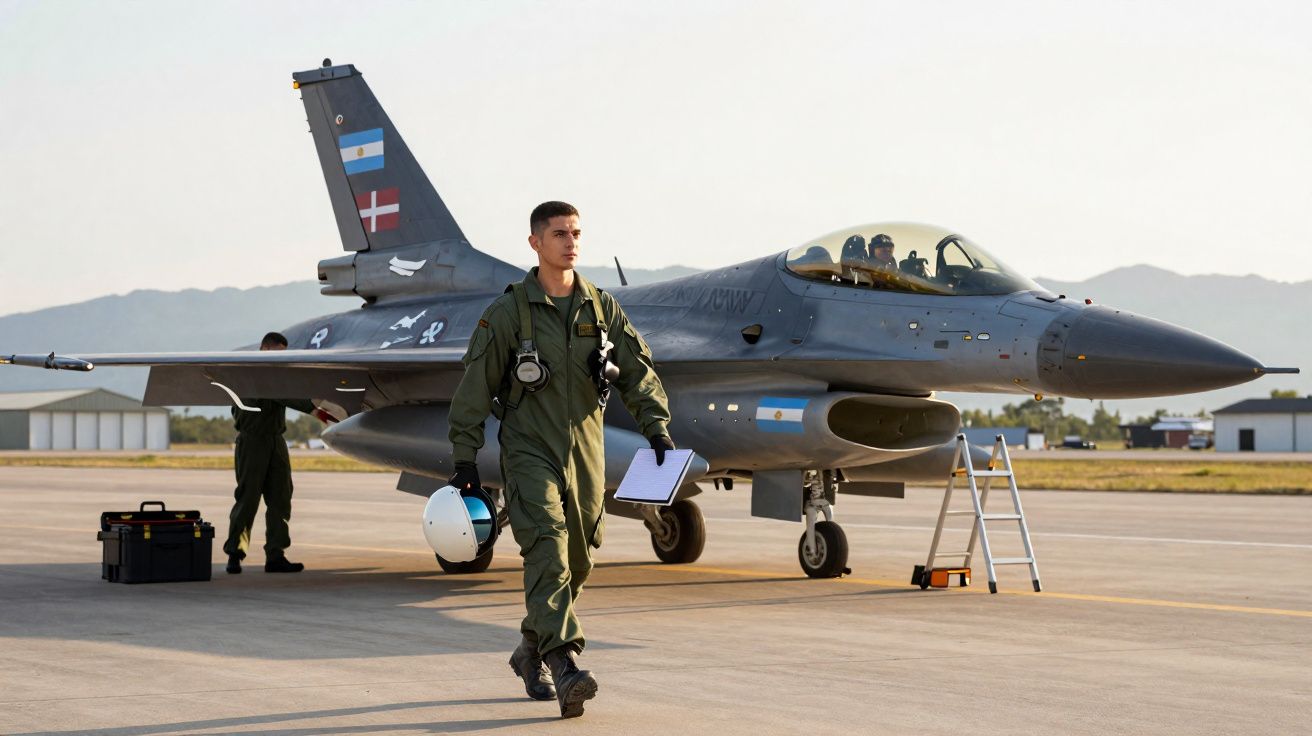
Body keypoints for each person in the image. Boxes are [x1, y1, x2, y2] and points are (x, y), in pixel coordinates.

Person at [447, 201, 674, 719]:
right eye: (559, 234)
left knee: (578, 559)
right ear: (535, 243)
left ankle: (529, 650)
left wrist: (656, 428)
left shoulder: (601, 307)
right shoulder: (509, 313)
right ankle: (565, 663)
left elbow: (637, 370)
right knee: (547, 547)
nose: (571, 242)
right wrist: (465, 460)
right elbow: (475, 387)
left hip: (587, 448)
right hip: (529, 447)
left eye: (575, 233)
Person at [223, 332, 320, 575]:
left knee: (280, 498)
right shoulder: (250, 371)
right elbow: (282, 394)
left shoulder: (276, 375)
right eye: (277, 352)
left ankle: (276, 555)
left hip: (276, 441)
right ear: (265, 348)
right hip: (252, 442)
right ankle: (235, 553)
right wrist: (315, 408)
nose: (281, 358)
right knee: (248, 499)